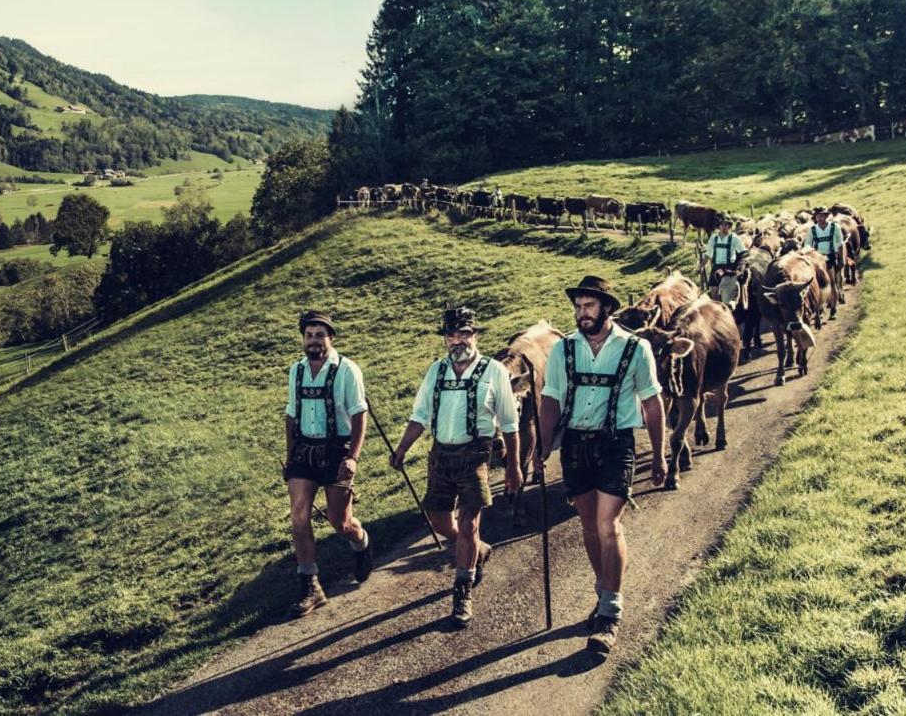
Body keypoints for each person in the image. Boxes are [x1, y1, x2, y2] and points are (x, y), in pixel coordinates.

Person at [533, 277, 667, 656]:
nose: (581, 313)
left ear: (606, 308)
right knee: (589, 526)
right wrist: (542, 448)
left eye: (589, 306)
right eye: (578, 307)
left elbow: (652, 404)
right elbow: (551, 400)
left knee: (609, 525)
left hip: (616, 443)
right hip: (576, 444)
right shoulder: (564, 351)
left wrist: (659, 454)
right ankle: (604, 586)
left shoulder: (635, 349)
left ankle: (610, 612)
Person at [391, 308, 521, 627]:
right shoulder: (436, 371)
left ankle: (463, 591)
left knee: (467, 524)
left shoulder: (493, 371)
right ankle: (479, 549)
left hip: (475, 455)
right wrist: (402, 449)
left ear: (475, 335)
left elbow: (509, 422)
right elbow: (420, 415)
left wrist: (514, 466)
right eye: (451, 335)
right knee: (437, 520)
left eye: (464, 334)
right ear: (446, 339)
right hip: (441, 455)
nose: (457, 341)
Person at [283, 310, 373, 618]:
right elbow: (291, 415)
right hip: (305, 452)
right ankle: (311, 586)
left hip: (337, 451)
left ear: (330, 338)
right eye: (309, 335)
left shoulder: (347, 370)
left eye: (320, 335)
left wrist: (353, 458)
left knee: (341, 523)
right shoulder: (296, 371)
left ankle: (361, 544)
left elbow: (360, 415)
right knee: (298, 515)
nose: (314, 340)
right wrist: (290, 453)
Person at [804, 206, 846, 314]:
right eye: (817, 216)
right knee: (818, 284)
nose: (819, 218)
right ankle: (820, 307)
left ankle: (833, 308)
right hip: (817, 260)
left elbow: (841, 243)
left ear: (826, 216)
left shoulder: (834, 227)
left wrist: (842, 259)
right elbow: (807, 246)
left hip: (830, 257)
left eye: (822, 216)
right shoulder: (812, 230)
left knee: (832, 283)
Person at [704, 215, 747, 288]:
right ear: (718, 226)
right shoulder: (713, 238)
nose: (724, 227)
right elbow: (708, 254)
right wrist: (701, 266)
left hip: (729, 268)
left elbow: (743, 252)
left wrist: (740, 266)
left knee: (728, 291)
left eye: (726, 225)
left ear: (729, 226)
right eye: (722, 224)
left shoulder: (734, 238)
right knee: (714, 290)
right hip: (716, 267)